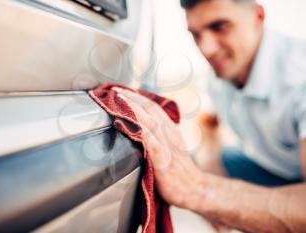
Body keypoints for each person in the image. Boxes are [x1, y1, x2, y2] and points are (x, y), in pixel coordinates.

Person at [113, 0, 306, 232]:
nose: (207, 49)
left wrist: (202, 192)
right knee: (196, 164)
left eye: (219, 27)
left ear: (258, 16)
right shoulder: (220, 74)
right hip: (273, 168)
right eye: (196, 34)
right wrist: (212, 189)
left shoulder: (299, 75)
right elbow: (209, 123)